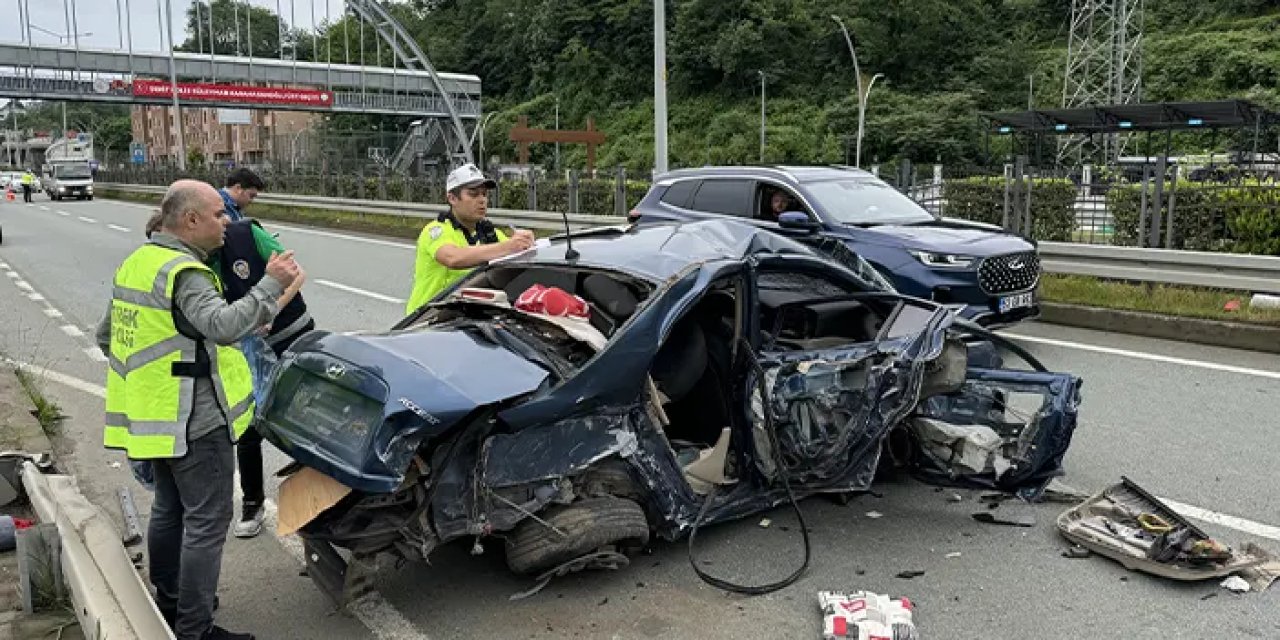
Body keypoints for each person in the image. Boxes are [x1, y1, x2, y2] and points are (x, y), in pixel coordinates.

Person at [97, 179, 302, 640]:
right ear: (190, 220)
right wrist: (272, 283)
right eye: (217, 214)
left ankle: (167, 606)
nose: (226, 221)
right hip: (196, 419)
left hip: (155, 417)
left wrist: (156, 372)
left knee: (169, 510)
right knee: (207, 524)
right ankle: (194, 629)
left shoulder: (138, 262)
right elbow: (224, 325)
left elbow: (106, 337)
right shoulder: (185, 273)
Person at [211, 216, 312, 538]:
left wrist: (271, 311)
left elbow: (297, 275)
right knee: (249, 424)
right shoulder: (195, 262)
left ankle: (319, 506)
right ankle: (253, 503)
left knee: (307, 417)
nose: (221, 222)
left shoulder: (245, 234)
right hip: (247, 350)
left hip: (291, 335)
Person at [405, 163, 535, 313]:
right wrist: (509, 247)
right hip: (425, 319)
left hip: (463, 317)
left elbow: (516, 255)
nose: (482, 200)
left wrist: (526, 244)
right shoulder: (436, 230)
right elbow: (453, 258)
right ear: (452, 198)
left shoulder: (490, 233)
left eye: (484, 194)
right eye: (473, 194)